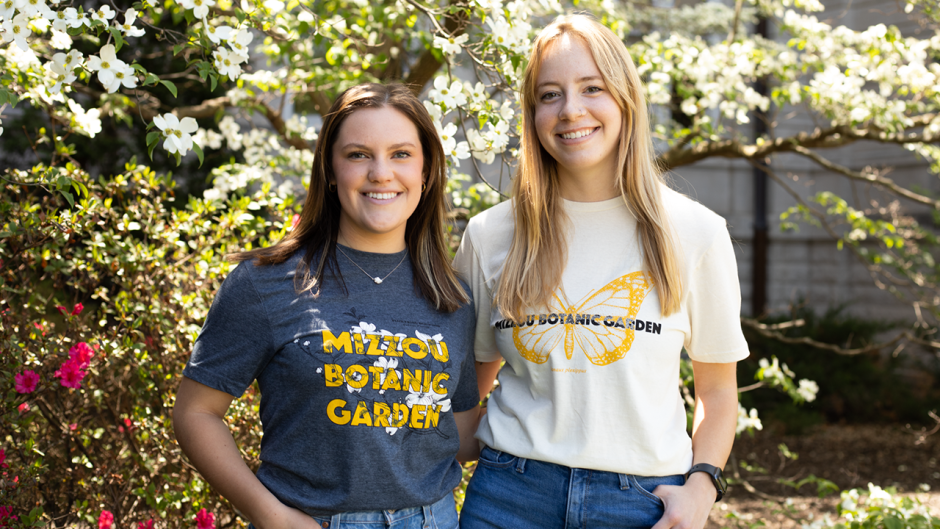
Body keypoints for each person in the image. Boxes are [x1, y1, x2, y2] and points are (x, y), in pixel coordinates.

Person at [454, 14, 749, 529]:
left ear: (625, 99)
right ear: (532, 113)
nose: (571, 111)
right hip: (509, 496)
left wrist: (702, 488)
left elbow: (719, 392)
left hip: (639, 503)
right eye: (549, 95)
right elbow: (467, 387)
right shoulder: (489, 235)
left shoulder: (695, 232)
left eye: (592, 88)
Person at [174, 82, 480, 529]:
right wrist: (269, 514)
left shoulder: (451, 296)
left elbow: (461, 434)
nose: (381, 173)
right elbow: (195, 412)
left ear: (426, 171)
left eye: (401, 154)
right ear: (331, 171)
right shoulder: (267, 282)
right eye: (358, 154)